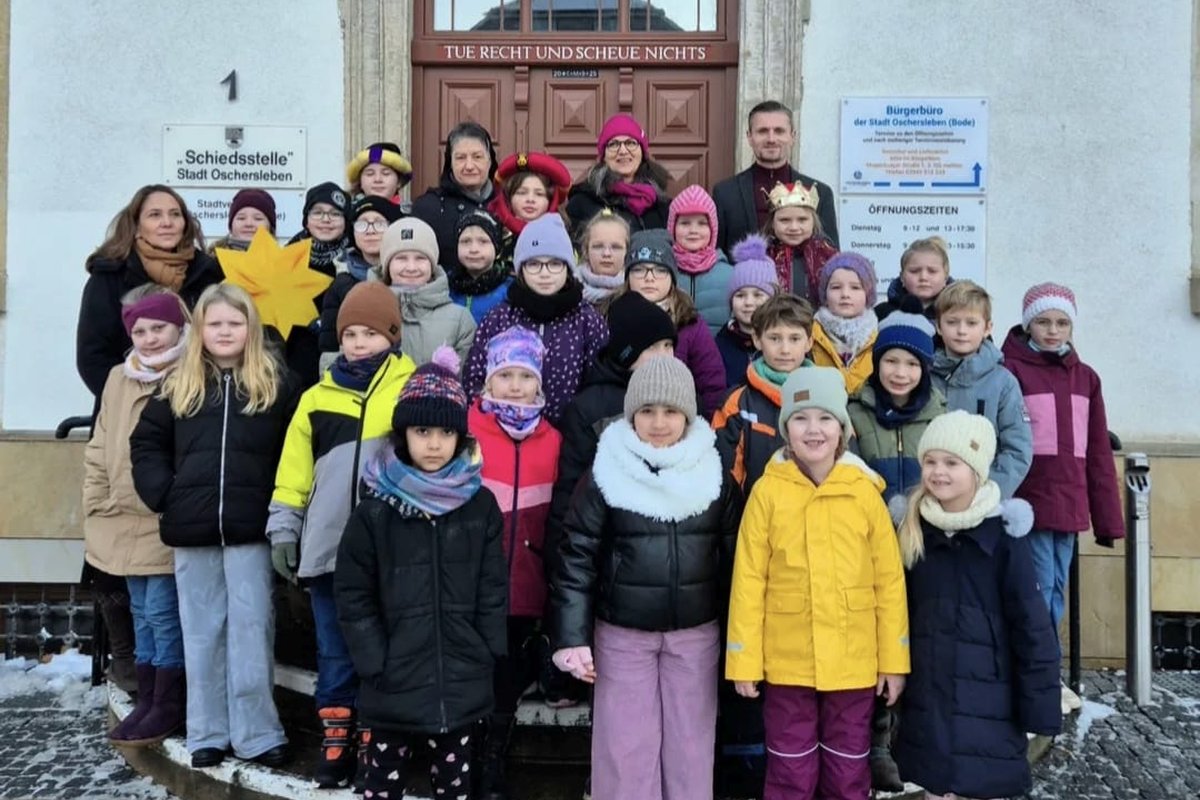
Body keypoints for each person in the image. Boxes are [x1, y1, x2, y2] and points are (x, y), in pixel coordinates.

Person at [551, 356, 740, 800]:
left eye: (670, 411)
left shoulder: (713, 471)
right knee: (625, 747)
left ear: (687, 414)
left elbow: (736, 557)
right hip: (623, 634)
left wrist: (742, 636)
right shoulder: (606, 471)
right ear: (631, 413)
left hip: (695, 634)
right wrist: (571, 637)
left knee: (690, 747)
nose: (658, 423)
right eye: (647, 411)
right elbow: (576, 556)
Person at [129, 283, 298, 770]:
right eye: (215, 323)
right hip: (193, 530)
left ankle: (257, 732)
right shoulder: (178, 385)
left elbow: (296, 448)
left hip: (251, 530)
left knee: (252, 629)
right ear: (199, 329)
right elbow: (146, 444)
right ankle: (207, 730)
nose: (225, 332)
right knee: (201, 632)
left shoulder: (277, 384)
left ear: (251, 327)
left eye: (235, 323)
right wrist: (166, 495)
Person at [726, 366, 909, 800]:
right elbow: (749, 582)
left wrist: (893, 661)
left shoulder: (864, 492)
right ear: (785, 429)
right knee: (790, 769)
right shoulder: (768, 492)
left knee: (847, 772)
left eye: (825, 418)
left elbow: (888, 583)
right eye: (801, 418)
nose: (814, 430)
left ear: (842, 429)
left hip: (853, 662)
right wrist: (744, 661)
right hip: (787, 662)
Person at [334, 347, 507, 800]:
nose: (433, 444)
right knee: (382, 785)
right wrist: (374, 659)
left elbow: (492, 586)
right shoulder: (375, 509)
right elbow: (353, 592)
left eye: (445, 432)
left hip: (460, 679)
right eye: (422, 431)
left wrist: (486, 647)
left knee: (454, 787)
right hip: (393, 680)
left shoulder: (480, 505)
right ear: (403, 433)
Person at [267, 281, 416, 788]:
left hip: (388, 552)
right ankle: (336, 738)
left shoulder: (411, 389)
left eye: (370, 334)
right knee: (334, 650)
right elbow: (293, 472)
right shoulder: (315, 398)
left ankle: (377, 737)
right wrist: (284, 529)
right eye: (350, 334)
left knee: (380, 649)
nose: (358, 343)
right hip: (329, 548)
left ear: (392, 336)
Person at [892, 411, 1062, 800]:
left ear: (977, 471)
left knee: (979, 785)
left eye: (952, 463)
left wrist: (1039, 708)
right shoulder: (912, 532)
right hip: (928, 699)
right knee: (935, 787)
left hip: (989, 701)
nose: (938, 472)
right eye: (930, 461)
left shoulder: (1004, 539)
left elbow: (1031, 628)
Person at [1001, 283, 1124, 714]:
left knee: (1054, 590)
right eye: (1043, 322)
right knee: (1037, 590)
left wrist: (1107, 518)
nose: (1053, 331)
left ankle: (1044, 669)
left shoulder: (1085, 378)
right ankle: (1039, 673)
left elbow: (1097, 452)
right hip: (1031, 503)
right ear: (1028, 324)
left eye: (1061, 323)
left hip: (1069, 504)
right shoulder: (1012, 371)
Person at [844, 305, 946, 791]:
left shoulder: (940, 415)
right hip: (870, 548)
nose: (899, 372)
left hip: (925, 546)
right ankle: (878, 740)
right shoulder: (855, 411)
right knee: (878, 642)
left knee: (920, 642)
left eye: (910, 363)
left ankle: (913, 737)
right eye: (891, 361)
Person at [87, 287, 189, 747]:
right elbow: (99, 442)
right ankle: (149, 697)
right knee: (143, 613)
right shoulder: (118, 377)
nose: (149, 339)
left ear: (179, 326)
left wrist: (172, 499)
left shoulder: (191, 372)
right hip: (119, 515)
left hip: (162, 516)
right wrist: (97, 497)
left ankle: (168, 701)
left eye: (159, 328)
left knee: (164, 614)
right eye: (140, 331)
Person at [468, 327, 562, 800]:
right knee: (474, 673)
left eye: (525, 376)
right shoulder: (467, 430)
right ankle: (465, 753)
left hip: (527, 583)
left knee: (506, 676)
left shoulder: (553, 439)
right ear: (488, 379)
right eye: (505, 375)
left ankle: (492, 758)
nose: (515, 386)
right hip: (474, 584)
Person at [543, 291, 676, 611]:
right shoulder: (590, 407)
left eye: (668, 346)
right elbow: (569, 495)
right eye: (652, 348)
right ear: (626, 353)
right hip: (609, 562)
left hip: (668, 559)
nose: (664, 356)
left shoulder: (681, 397)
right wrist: (559, 569)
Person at [77, 184, 221, 401]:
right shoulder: (110, 276)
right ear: (136, 225)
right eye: (155, 215)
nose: (167, 222)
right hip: (131, 405)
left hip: (197, 403)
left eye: (175, 214)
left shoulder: (207, 274)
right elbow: (93, 357)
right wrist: (130, 400)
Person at [464, 214, 609, 425]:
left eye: (554, 263)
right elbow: (474, 379)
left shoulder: (587, 320)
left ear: (568, 268)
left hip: (568, 434)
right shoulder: (499, 318)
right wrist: (492, 425)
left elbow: (598, 386)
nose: (544, 273)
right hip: (503, 433)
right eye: (534, 264)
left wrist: (578, 429)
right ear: (521, 269)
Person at [930, 281, 1032, 498]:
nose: (961, 331)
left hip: (983, 500)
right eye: (952, 322)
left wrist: (986, 494)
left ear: (987, 328)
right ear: (938, 326)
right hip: (930, 495)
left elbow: (1018, 448)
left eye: (971, 323)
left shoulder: (1003, 382)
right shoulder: (924, 377)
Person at [713, 293, 814, 493]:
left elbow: (846, 467)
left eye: (795, 339)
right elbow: (723, 480)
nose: (785, 349)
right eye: (774, 338)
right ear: (757, 340)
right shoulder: (737, 403)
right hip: (754, 510)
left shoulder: (829, 398)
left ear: (809, 342)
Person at [621, 229, 726, 417]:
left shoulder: (690, 322)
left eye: (660, 270)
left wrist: (705, 427)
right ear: (627, 276)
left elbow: (712, 384)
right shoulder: (611, 317)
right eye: (639, 269)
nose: (649, 277)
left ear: (672, 277)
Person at [713, 100, 839, 256]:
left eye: (779, 131)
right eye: (762, 131)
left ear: (792, 136)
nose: (771, 139)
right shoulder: (725, 193)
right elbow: (717, 255)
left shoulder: (821, 193)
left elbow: (831, 257)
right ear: (749, 137)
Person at [317, 195, 406, 367]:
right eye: (362, 224)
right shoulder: (341, 283)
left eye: (379, 223)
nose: (370, 231)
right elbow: (329, 349)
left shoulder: (408, 276)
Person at [378, 217, 477, 366]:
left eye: (420, 258)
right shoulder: (366, 311)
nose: (411, 267)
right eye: (401, 258)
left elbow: (465, 375)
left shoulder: (460, 320)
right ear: (387, 265)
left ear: (432, 265)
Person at [411, 122, 500, 274]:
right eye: (460, 158)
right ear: (450, 163)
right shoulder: (428, 208)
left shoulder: (507, 205)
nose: (469, 166)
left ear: (490, 161)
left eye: (477, 157)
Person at [564, 113, 671, 233]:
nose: (623, 151)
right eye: (614, 144)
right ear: (603, 156)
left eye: (631, 143)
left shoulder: (662, 205)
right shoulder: (582, 203)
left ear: (642, 153)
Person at [668, 185, 734, 334]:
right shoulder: (662, 272)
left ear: (713, 228)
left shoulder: (731, 275)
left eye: (702, 223)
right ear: (672, 227)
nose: (693, 230)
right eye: (685, 223)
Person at [715, 235, 778, 388]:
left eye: (758, 295)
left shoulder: (783, 340)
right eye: (740, 295)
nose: (749, 303)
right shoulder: (720, 344)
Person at [811, 252, 879, 395]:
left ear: (868, 295)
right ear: (825, 294)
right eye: (836, 287)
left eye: (855, 287)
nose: (845, 294)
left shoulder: (879, 339)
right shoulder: (809, 337)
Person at [488, 150, 573, 260]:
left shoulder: (562, 237)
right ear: (509, 197)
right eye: (522, 193)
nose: (530, 200)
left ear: (550, 200)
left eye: (539, 194)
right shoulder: (492, 233)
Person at [763, 181, 838, 302]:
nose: (794, 227)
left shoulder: (828, 257)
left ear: (813, 222)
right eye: (785, 220)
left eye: (802, 220)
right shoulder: (762, 258)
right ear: (772, 223)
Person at [448, 208, 512, 324]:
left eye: (483, 241)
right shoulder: (447, 288)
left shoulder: (509, 290)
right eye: (466, 241)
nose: (474, 249)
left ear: (496, 248)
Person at [874, 237, 952, 322]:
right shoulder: (882, 313)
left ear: (945, 278)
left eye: (932, 271)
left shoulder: (957, 313)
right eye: (914, 271)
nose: (923, 277)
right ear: (902, 277)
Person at [288, 182, 352, 276]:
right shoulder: (289, 255)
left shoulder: (359, 257)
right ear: (306, 221)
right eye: (317, 213)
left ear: (346, 222)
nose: (326, 220)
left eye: (335, 214)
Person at [574, 209, 630, 310]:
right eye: (598, 246)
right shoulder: (568, 289)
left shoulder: (636, 291)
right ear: (586, 250)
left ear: (627, 251)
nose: (606, 254)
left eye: (616, 247)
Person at [209, 189, 276, 252]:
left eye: (258, 218)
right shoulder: (211, 259)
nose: (249, 224)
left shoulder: (280, 259)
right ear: (231, 225)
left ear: (270, 226)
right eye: (241, 218)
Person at [346, 141, 413, 203]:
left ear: (399, 182)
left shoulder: (410, 211)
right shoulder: (347, 211)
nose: (377, 179)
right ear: (360, 182)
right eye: (370, 174)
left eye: (386, 173)